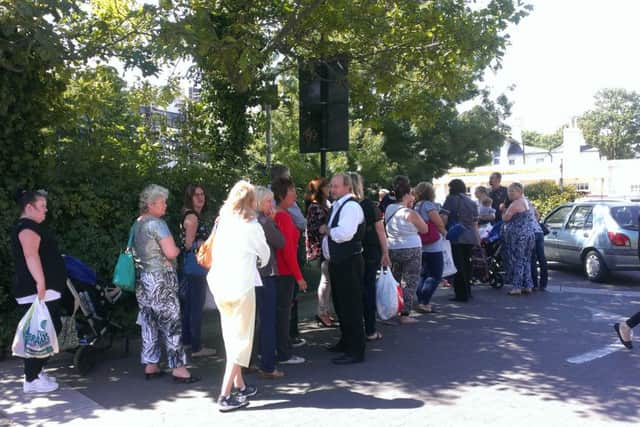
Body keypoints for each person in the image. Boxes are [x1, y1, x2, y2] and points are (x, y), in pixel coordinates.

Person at [207, 180, 270, 412]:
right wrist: (260, 260)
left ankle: (240, 386)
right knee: (242, 341)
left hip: (219, 284)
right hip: (242, 287)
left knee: (230, 337)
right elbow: (264, 253)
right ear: (251, 202)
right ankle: (224, 396)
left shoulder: (223, 220)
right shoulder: (252, 225)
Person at [132, 184, 198, 383]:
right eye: (162, 202)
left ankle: (151, 365)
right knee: (171, 322)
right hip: (161, 279)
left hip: (143, 280)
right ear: (151, 204)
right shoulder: (157, 224)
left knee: (149, 322)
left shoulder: (137, 223)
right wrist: (178, 250)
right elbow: (170, 252)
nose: (166, 206)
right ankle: (178, 368)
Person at [11, 189, 66, 393]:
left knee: (46, 329)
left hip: (40, 289)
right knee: (41, 332)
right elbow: (31, 255)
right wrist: (41, 283)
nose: (46, 210)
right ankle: (31, 379)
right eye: (42, 206)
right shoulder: (27, 227)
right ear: (29, 207)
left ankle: (36, 372)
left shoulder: (30, 226)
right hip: (37, 290)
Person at [323, 173, 367, 364]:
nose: (333, 189)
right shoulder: (339, 205)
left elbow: (344, 234)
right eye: (331, 186)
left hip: (349, 262)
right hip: (339, 262)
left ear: (348, 187)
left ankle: (355, 350)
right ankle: (346, 341)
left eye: (336, 186)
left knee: (351, 307)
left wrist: (327, 230)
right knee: (341, 305)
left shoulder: (351, 206)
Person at [348, 172, 390, 341]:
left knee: (354, 291)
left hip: (351, 251)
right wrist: (385, 252)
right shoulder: (369, 205)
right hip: (370, 251)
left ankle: (356, 328)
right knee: (368, 289)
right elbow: (381, 231)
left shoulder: (343, 206)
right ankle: (370, 329)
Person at [272, 176, 308, 365]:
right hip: (284, 272)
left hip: (278, 271)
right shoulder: (283, 216)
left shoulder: (276, 214)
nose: (295, 193)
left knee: (278, 313)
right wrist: (299, 277)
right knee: (283, 314)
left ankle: (277, 349)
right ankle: (283, 353)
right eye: (291, 190)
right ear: (282, 194)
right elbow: (288, 251)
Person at [385, 176, 429, 323]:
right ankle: (404, 314)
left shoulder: (389, 208)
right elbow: (424, 229)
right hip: (411, 248)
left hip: (392, 247)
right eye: (411, 194)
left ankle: (391, 309)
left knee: (395, 280)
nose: (412, 197)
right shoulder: (410, 213)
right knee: (411, 281)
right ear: (406, 195)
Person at [179, 184, 216, 358]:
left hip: (190, 264)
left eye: (202, 194)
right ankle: (196, 347)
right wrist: (202, 244)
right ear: (190, 198)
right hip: (195, 265)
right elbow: (188, 244)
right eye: (196, 195)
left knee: (189, 306)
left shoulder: (189, 214)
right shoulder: (192, 217)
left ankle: (187, 342)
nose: (201, 198)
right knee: (195, 306)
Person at [255, 186, 286, 379]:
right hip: (266, 274)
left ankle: (248, 361)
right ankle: (267, 365)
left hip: (251, 276)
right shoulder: (264, 222)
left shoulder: (247, 220)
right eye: (268, 201)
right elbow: (280, 242)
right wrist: (274, 223)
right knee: (268, 321)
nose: (272, 204)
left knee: (252, 321)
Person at [442, 179, 480, 302]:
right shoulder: (471, 202)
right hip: (470, 236)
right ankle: (468, 291)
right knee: (467, 265)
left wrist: (442, 231)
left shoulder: (451, 199)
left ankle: (461, 294)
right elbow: (475, 223)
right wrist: (477, 239)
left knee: (458, 265)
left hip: (457, 235)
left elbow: (444, 217)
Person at [304, 177, 335, 328]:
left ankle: (325, 310)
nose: (330, 188)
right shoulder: (315, 207)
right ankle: (321, 311)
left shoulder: (323, 205)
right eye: (327, 186)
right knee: (325, 280)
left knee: (328, 280)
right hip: (321, 248)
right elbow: (317, 229)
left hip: (325, 247)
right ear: (320, 190)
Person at [413, 182, 447, 313]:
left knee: (423, 274)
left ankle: (421, 300)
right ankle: (424, 302)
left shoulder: (416, 206)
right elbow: (438, 223)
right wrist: (444, 231)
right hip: (433, 245)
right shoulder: (428, 205)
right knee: (435, 275)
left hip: (421, 243)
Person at [502, 183, 538, 295]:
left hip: (518, 235)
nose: (510, 193)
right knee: (526, 260)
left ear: (520, 192)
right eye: (509, 191)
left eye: (513, 191)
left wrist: (503, 210)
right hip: (529, 234)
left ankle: (517, 287)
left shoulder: (516, 203)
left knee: (517, 259)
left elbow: (505, 218)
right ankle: (528, 285)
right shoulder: (526, 202)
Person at [530, 206, 548, 291]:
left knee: (532, 258)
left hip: (531, 232)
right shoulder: (529, 203)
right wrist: (535, 221)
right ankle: (543, 284)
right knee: (542, 258)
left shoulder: (519, 203)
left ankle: (534, 284)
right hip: (539, 231)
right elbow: (537, 215)